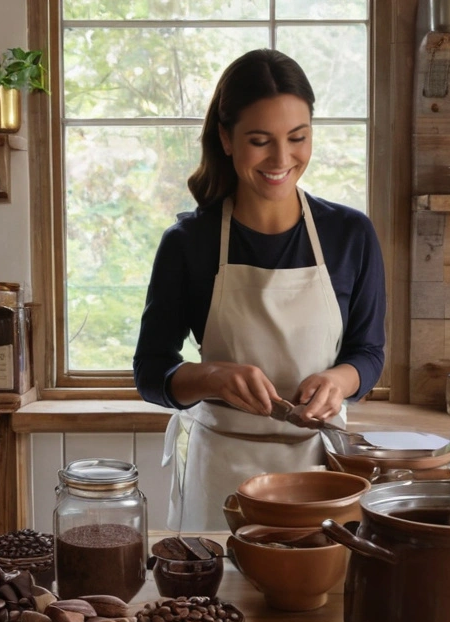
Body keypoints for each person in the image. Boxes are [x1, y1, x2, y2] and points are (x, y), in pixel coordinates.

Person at [133, 49, 386, 532]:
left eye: (298, 138)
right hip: (222, 475)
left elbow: (368, 352)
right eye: (259, 141)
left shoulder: (350, 234)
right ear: (226, 139)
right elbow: (151, 370)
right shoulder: (189, 243)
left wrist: (339, 381)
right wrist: (212, 378)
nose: (282, 159)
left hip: (323, 472)